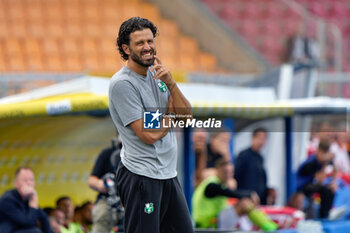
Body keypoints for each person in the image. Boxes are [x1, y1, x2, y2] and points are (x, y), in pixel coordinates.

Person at [109, 17, 193, 233]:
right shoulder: (122, 84)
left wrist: (172, 84)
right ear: (126, 49)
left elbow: (187, 117)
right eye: (140, 43)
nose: (147, 47)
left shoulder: (159, 76)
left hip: (168, 174)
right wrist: (171, 116)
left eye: (150, 41)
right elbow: (148, 133)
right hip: (141, 176)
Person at [192, 159, 277, 231]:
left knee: (242, 203)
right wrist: (250, 194)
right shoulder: (212, 185)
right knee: (244, 203)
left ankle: (264, 224)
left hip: (215, 220)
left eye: (230, 172)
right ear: (217, 170)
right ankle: (268, 226)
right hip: (207, 224)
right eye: (225, 172)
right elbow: (228, 193)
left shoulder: (219, 184)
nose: (228, 175)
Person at [0, 167, 51, 233]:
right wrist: (33, 202)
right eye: (25, 180)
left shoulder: (28, 198)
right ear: (16, 183)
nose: (29, 183)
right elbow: (27, 223)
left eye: (31, 180)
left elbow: (44, 217)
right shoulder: (7, 199)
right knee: (35, 231)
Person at [88, 139, 123, 233]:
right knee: (102, 214)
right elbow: (92, 180)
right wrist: (102, 184)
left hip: (132, 203)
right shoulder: (108, 153)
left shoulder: (142, 154)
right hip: (108, 202)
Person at [296, 139, 337, 218]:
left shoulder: (322, 161)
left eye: (326, 153)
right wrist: (325, 164)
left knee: (330, 189)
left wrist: (333, 182)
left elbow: (335, 170)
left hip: (311, 185)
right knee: (325, 190)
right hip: (301, 187)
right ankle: (324, 215)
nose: (324, 156)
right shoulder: (310, 162)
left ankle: (327, 213)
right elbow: (320, 180)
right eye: (322, 153)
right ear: (318, 151)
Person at [234, 128, 270, 205]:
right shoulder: (244, 155)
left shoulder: (260, 157)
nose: (261, 142)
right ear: (253, 138)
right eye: (259, 138)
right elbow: (235, 175)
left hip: (258, 201)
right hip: (246, 201)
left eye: (264, 139)